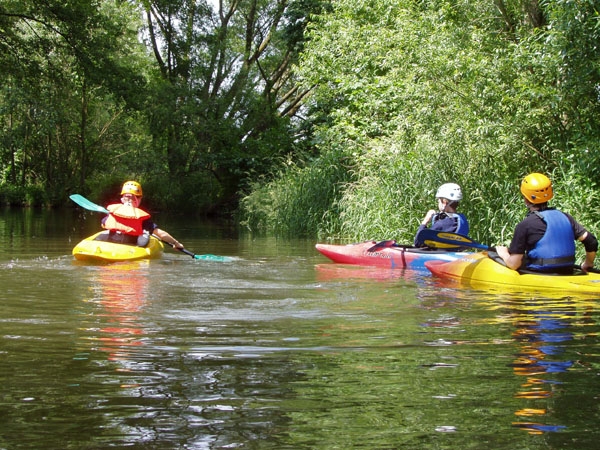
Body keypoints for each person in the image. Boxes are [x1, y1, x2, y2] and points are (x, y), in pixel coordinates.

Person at [495, 173, 597, 273]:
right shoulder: (566, 218)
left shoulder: (525, 225)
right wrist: (588, 263)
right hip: (567, 271)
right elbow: (591, 241)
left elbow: (514, 264)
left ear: (526, 199)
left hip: (541, 273)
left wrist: (504, 253)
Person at [101, 180, 185, 250]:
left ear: (122, 198)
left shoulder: (113, 211)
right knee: (145, 234)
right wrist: (176, 243)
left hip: (111, 244)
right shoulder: (140, 216)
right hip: (131, 247)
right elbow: (161, 234)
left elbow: (103, 223)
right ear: (139, 198)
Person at [414, 182, 469, 247]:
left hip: (438, 255)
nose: (438, 203)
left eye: (439, 201)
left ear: (444, 203)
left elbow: (418, 243)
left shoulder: (441, 224)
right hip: (454, 252)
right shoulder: (461, 220)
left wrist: (425, 221)